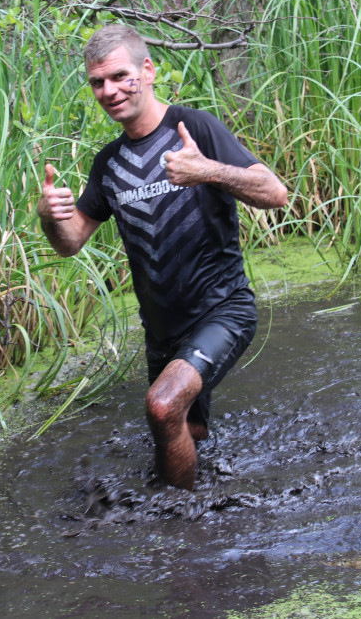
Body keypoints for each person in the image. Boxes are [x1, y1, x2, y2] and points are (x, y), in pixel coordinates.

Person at [38, 24, 288, 490]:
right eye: (98, 82)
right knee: (186, 429)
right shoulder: (108, 163)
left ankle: (177, 537)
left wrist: (207, 170)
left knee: (162, 405)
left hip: (222, 311)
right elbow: (71, 242)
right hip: (161, 332)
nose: (109, 91)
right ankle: (208, 523)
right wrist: (50, 216)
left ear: (148, 70)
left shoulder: (195, 129)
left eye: (120, 76)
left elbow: (276, 193)